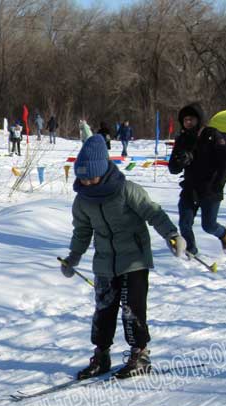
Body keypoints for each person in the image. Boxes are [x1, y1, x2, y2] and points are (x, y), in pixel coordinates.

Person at [60, 135, 186, 379]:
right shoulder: (83, 200)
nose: (86, 182)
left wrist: (172, 235)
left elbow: (154, 213)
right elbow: (82, 231)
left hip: (135, 260)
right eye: (82, 178)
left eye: (91, 177)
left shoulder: (126, 190)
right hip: (105, 262)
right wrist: (73, 257)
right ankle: (102, 354)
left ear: (104, 170)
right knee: (103, 311)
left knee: (133, 310)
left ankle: (140, 354)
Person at [168, 102, 226, 256]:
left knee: (209, 225)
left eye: (191, 119)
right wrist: (180, 161)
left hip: (210, 188)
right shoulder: (182, 139)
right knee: (184, 223)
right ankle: (191, 251)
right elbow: (173, 169)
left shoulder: (213, 135)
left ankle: (223, 233)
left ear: (199, 119)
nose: (188, 123)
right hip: (190, 188)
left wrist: (218, 185)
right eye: (185, 120)